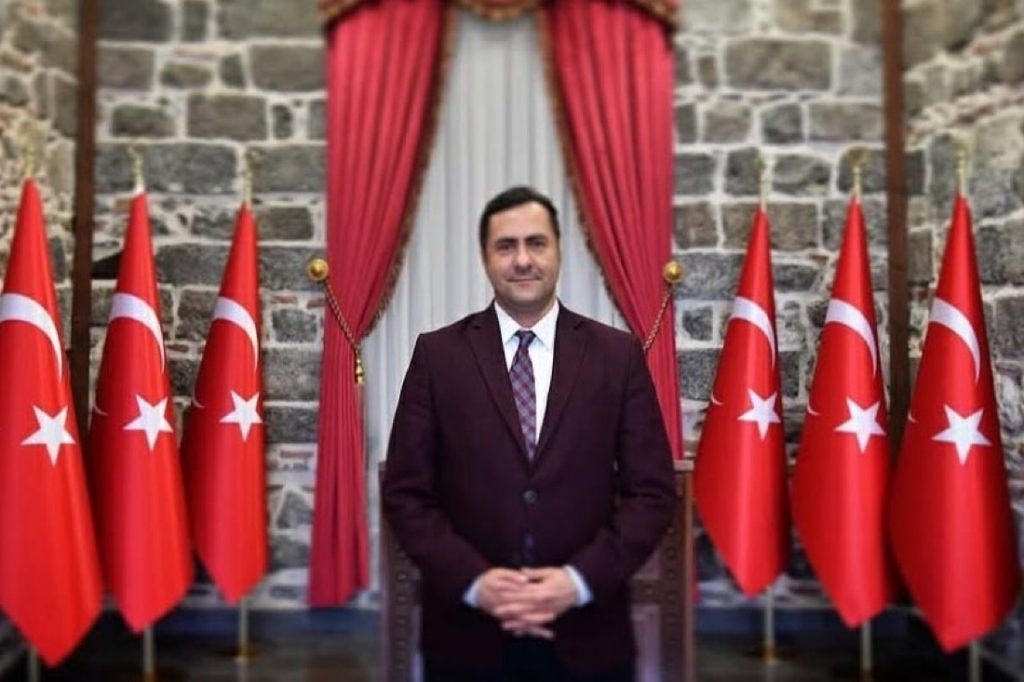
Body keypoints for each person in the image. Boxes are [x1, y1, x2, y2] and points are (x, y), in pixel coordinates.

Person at [382, 186, 676, 681]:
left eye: (536, 243)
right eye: (506, 246)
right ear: (485, 257)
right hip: (467, 637)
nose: (522, 260)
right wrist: (475, 582)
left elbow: (652, 492)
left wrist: (576, 582)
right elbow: (406, 494)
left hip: (589, 635)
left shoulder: (617, 356)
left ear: (559, 250)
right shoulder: (437, 356)